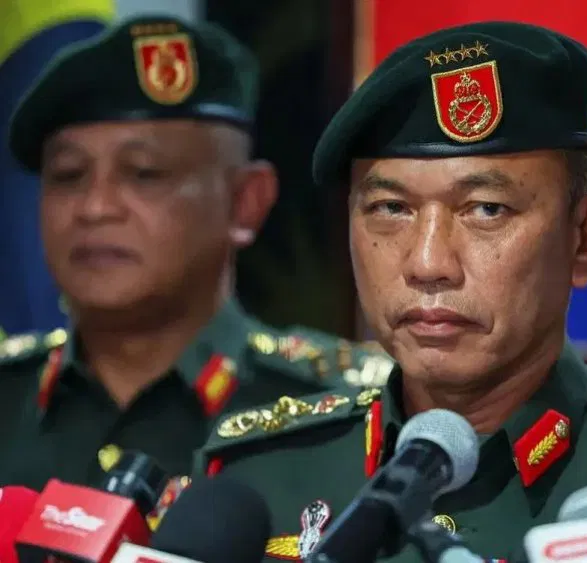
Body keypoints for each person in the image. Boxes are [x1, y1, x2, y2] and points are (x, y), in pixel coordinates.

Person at [197, 22, 587, 562]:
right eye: (391, 209)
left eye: (486, 210)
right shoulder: (257, 477)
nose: (428, 263)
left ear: (586, 237)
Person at [0, 14, 393, 502]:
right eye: (67, 175)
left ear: (244, 202)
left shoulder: (350, 415)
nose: (95, 207)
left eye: (144, 173)